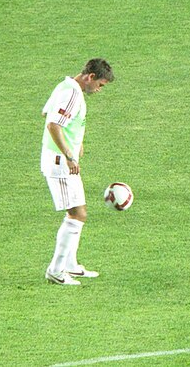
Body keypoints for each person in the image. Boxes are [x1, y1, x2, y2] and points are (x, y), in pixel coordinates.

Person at [41, 58, 115, 285]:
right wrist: (69, 154)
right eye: (100, 85)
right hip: (61, 163)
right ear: (90, 77)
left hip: (64, 160)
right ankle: (56, 270)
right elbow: (53, 124)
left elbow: (48, 113)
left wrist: (76, 142)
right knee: (77, 214)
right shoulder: (72, 94)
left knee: (78, 212)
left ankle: (70, 266)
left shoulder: (64, 86)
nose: (99, 90)